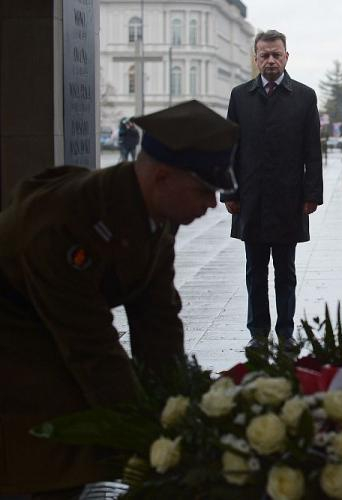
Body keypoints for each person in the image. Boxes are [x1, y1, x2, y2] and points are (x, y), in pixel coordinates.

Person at [0, 99, 238, 496]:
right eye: (203, 189)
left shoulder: (156, 212)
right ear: (162, 177)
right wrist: (147, 434)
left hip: (49, 322)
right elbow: (91, 347)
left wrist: (178, 408)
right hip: (14, 332)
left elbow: (158, 321)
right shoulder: (68, 223)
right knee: (48, 443)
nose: (211, 204)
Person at [222, 30, 323, 351]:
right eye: (264, 55)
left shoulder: (304, 97)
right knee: (254, 271)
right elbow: (229, 149)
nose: (270, 60)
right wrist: (229, 193)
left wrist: (312, 195)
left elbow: (312, 151)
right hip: (250, 198)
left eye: (276, 54)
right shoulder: (240, 96)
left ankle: (285, 332)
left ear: (286, 57)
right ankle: (258, 333)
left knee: (286, 271)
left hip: (288, 199)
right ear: (255, 59)